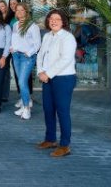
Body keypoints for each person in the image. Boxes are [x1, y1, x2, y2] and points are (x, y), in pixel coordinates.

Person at [36, 9, 77, 157]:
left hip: (63, 79)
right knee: (48, 109)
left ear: (63, 22)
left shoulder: (68, 37)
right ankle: (50, 139)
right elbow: (40, 55)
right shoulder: (47, 36)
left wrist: (48, 73)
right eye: (51, 18)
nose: (53, 21)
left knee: (62, 111)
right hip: (47, 78)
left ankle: (65, 145)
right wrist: (40, 72)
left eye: (57, 19)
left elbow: (65, 59)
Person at [10, 3, 41, 120]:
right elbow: (15, 40)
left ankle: (27, 108)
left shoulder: (33, 26)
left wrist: (28, 53)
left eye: (21, 10)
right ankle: (24, 105)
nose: (19, 12)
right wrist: (12, 48)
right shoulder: (15, 25)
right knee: (21, 82)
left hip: (27, 57)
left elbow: (37, 44)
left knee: (22, 82)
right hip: (16, 56)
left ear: (26, 11)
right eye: (17, 10)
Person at [3, 0, 22, 102]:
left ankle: (23, 96)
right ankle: (5, 95)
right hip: (8, 48)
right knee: (5, 71)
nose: (13, 6)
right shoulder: (9, 17)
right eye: (11, 4)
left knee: (18, 72)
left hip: (18, 49)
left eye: (15, 3)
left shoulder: (22, 17)